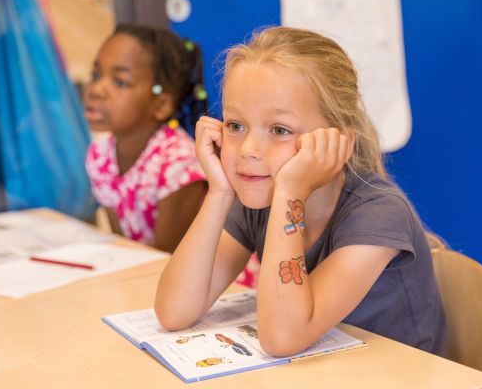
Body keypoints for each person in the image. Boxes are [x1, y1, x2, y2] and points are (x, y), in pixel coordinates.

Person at [154, 26, 446, 357]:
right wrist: (219, 192)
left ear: (338, 143)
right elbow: (174, 311)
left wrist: (290, 192)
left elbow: (281, 337)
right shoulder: (259, 199)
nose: (249, 148)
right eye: (236, 125)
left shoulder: (379, 215)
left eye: (279, 130)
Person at [84, 24, 207, 253]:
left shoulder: (178, 161)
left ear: (160, 105)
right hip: (144, 275)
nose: (96, 90)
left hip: (209, 282)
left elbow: (169, 258)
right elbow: (125, 247)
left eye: (119, 82)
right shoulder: (99, 156)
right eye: (96, 75)